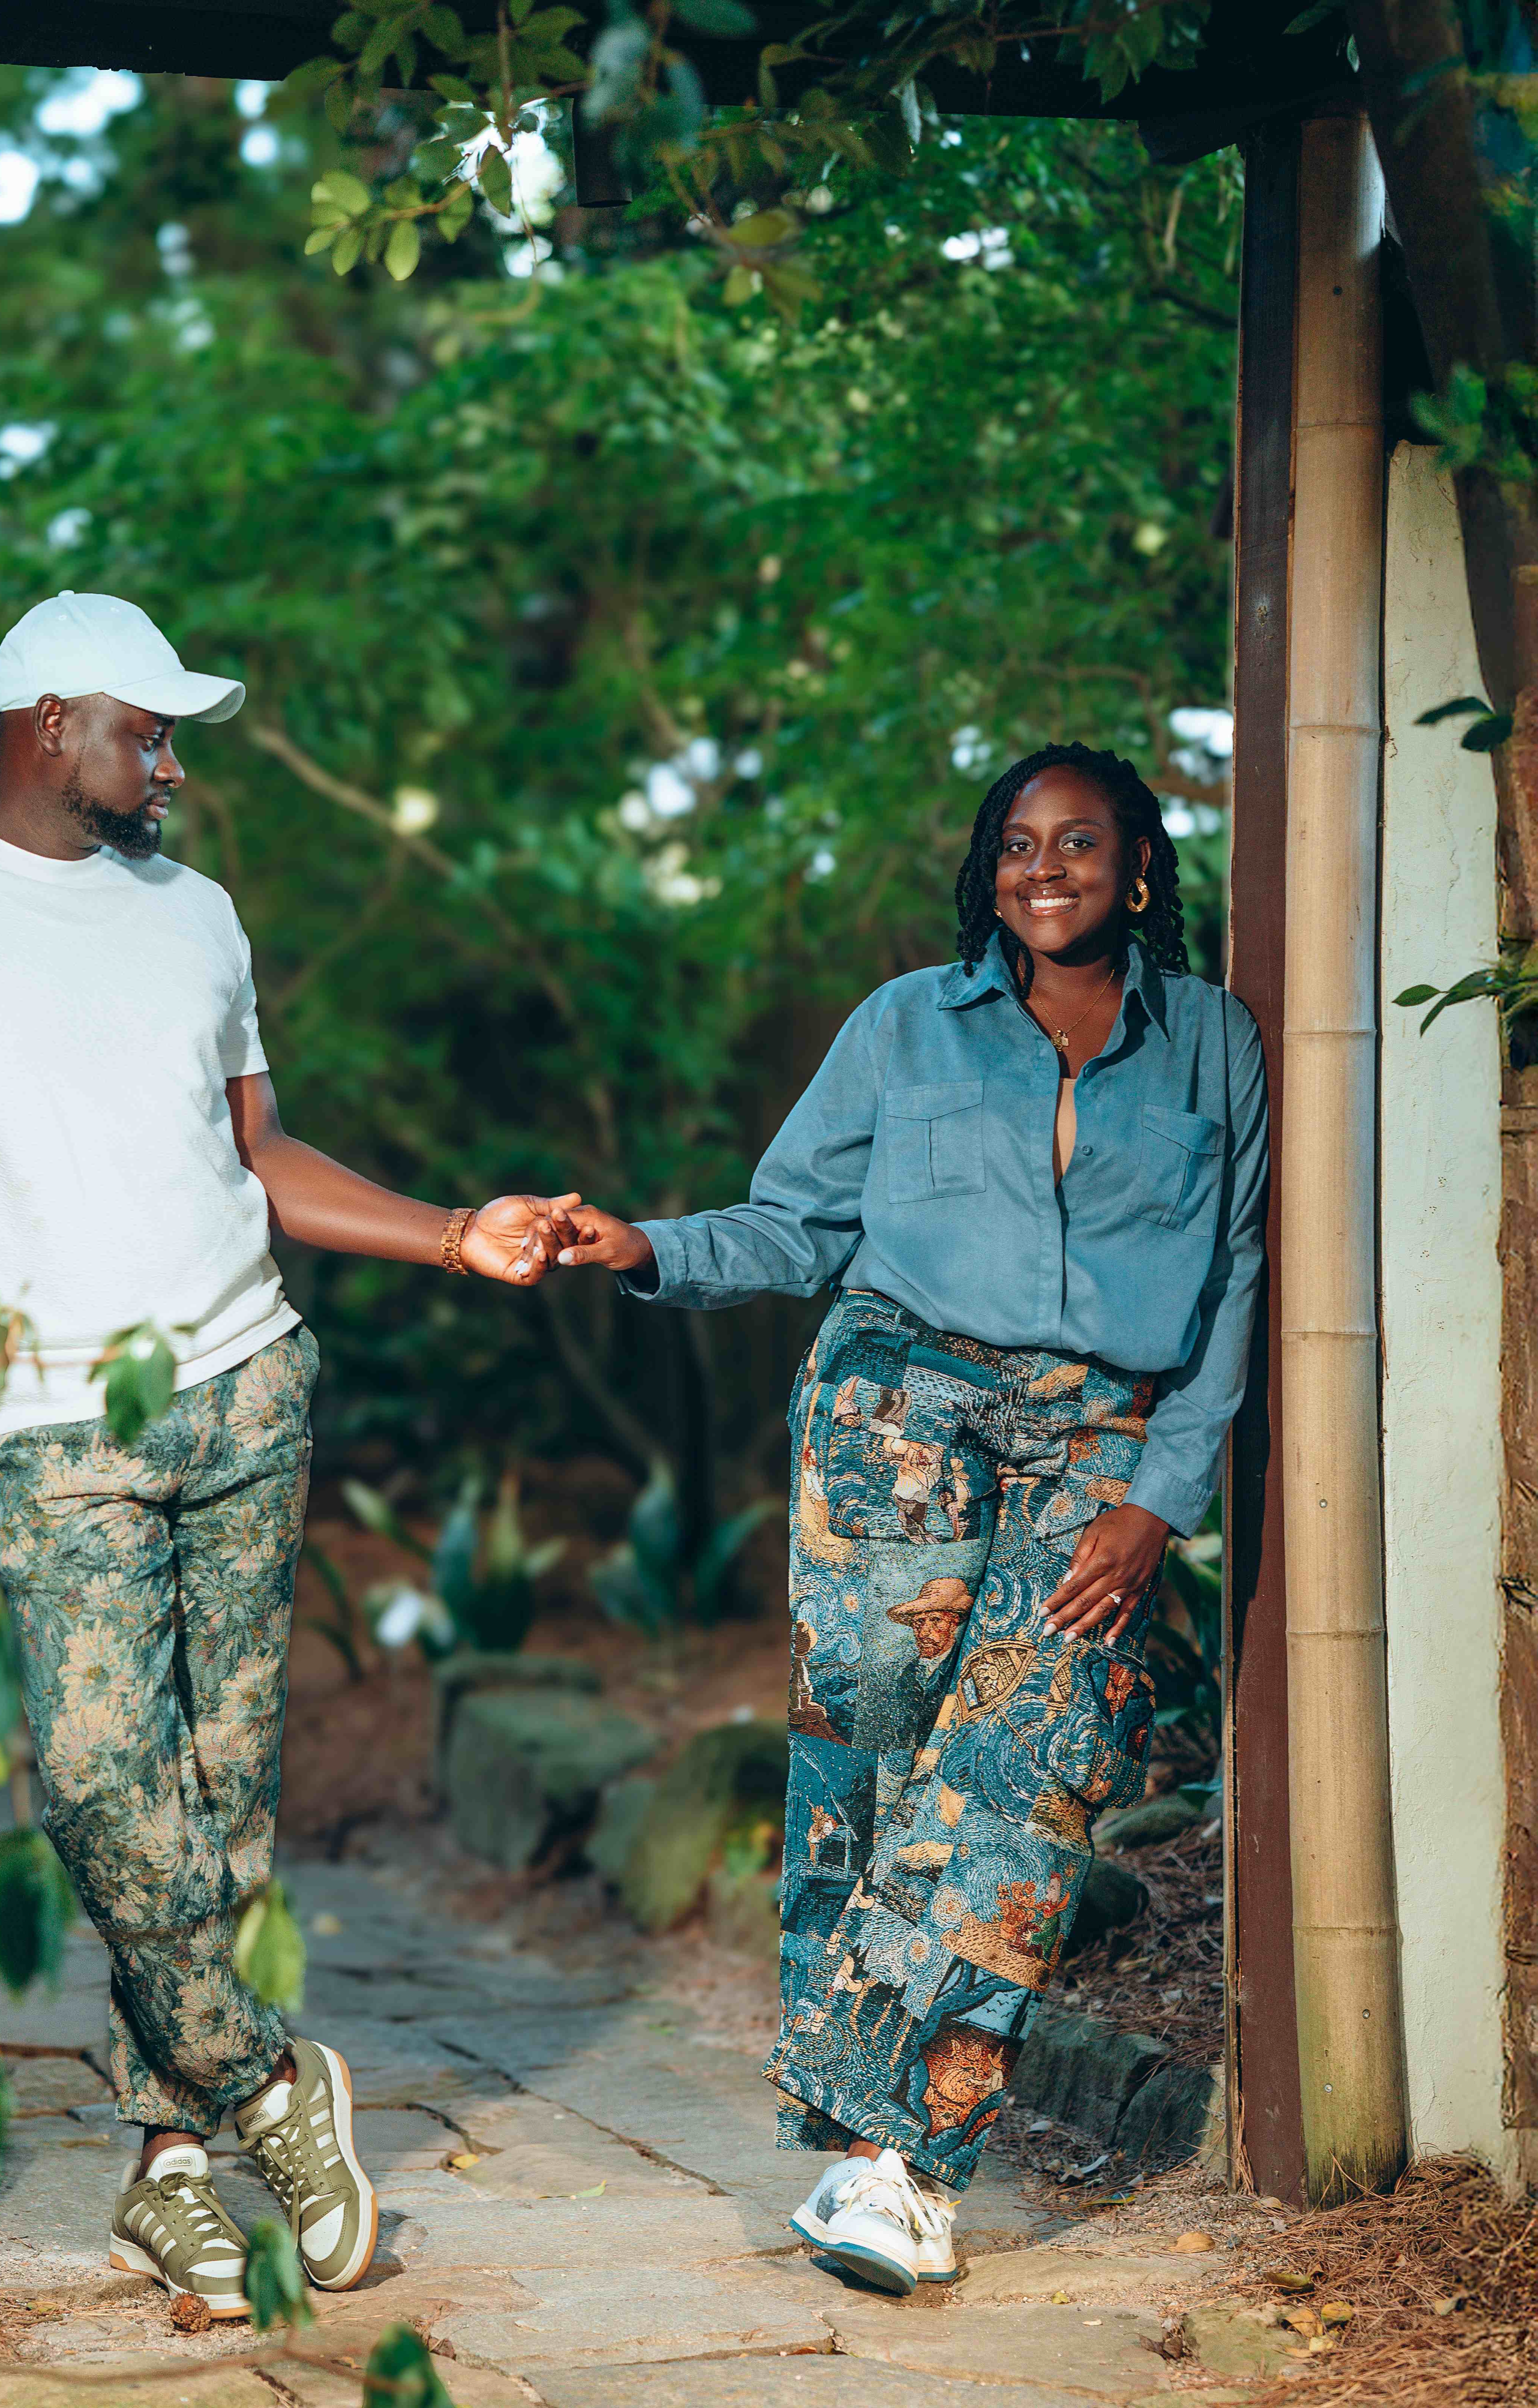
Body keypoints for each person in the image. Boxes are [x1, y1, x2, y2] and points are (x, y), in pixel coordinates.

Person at [0, 590, 572, 2318]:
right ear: (51, 723)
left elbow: (261, 1152)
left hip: (246, 1385)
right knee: (101, 1789)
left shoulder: (196, 913)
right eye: (148, 733)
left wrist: (453, 1233)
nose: (171, 765)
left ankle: (168, 2173)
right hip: (53, 1418)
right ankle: (271, 2087)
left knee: (220, 1809)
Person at [547, 744, 1267, 2295]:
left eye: (1078, 842)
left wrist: (1160, 1497)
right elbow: (793, 1225)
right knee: (870, 1764)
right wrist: (643, 1246)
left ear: (1139, 865)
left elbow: (1234, 1285)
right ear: (988, 873)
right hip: (895, 1413)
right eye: (1016, 844)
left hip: (1098, 1436)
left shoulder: (1214, 1042)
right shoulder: (903, 1023)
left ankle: (897, 2163)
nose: (1042, 869)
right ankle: (879, 2160)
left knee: (1037, 1760)